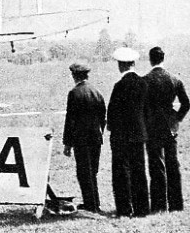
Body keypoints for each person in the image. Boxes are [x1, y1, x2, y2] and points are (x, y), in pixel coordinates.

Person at [144, 46, 190, 212]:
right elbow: (186, 104)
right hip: (170, 127)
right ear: (163, 58)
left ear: (150, 59)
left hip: (152, 128)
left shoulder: (145, 80)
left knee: (156, 165)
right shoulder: (175, 79)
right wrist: (176, 119)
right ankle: (176, 205)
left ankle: (159, 205)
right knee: (172, 164)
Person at [107, 47, 150, 217]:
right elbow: (147, 111)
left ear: (121, 65)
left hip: (121, 136)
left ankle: (124, 208)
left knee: (122, 172)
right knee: (139, 171)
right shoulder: (143, 84)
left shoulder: (119, 86)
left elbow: (112, 112)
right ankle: (142, 208)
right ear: (133, 63)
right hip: (139, 134)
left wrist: (111, 127)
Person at [62, 62, 106, 213]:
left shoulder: (74, 93)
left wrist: (67, 144)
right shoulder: (97, 92)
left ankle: (90, 204)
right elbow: (103, 117)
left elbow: (70, 120)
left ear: (74, 76)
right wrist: (101, 133)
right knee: (93, 171)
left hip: (81, 139)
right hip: (96, 138)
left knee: (83, 171)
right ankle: (95, 202)